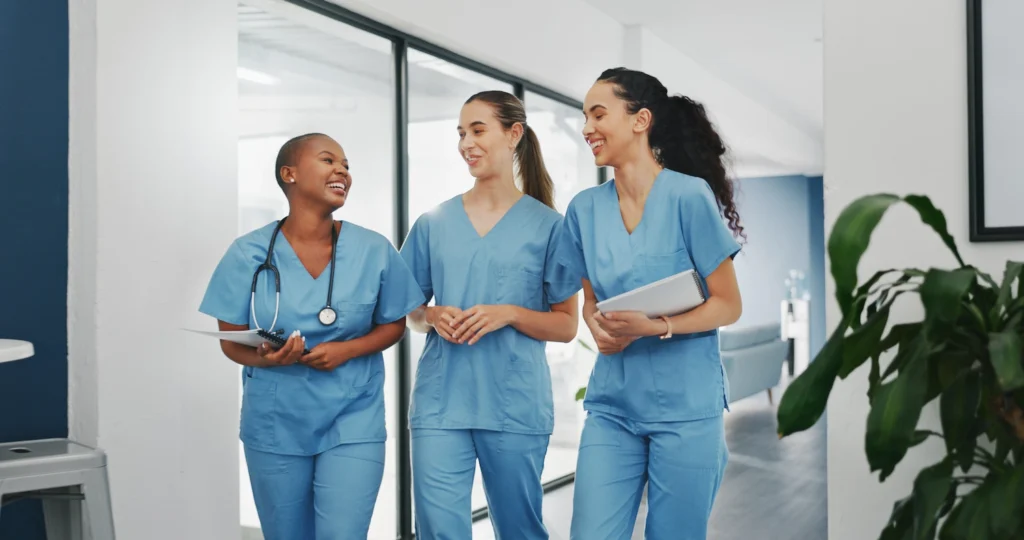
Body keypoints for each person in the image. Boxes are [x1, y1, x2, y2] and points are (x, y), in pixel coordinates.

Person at [199, 133, 425, 539]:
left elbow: (394, 323)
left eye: (346, 164)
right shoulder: (247, 253)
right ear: (290, 174)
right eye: (328, 160)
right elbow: (231, 341)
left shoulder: (374, 249)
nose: (342, 170)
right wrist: (267, 358)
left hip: (352, 419)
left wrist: (348, 350)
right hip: (275, 422)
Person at [556, 68, 746, 540]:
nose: (587, 128)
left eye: (599, 114)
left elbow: (727, 305)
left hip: (686, 409)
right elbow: (590, 301)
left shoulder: (688, 197)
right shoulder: (584, 209)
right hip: (613, 407)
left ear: (641, 120)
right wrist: (596, 325)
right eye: (584, 117)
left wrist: (656, 326)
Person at [399, 90, 580, 539]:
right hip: (441, 404)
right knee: (439, 530)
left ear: (513, 134)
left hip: (513, 405)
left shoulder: (549, 227)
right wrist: (433, 315)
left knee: (519, 529)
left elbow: (566, 325)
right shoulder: (433, 223)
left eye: (478, 130)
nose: (466, 143)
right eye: (461, 133)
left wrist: (511, 314)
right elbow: (410, 312)